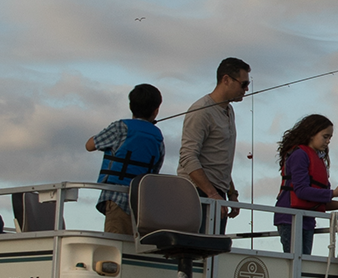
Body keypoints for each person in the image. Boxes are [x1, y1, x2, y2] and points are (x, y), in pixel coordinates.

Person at [271, 114, 338, 255]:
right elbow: (301, 191)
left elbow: (321, 202)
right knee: (297, 265)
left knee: (303, 264)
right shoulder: (300, 155)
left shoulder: (317, 159)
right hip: (290, 218)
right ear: (311, 133)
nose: (328, 141)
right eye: (325, 136)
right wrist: (333, 193)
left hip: (306, 220)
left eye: (330, 138)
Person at [83, 84, 165, 235]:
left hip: (116, 199)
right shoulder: (158, 137)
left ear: (130, 106)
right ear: (156, 111)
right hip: (142, 207)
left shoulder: (120, 127)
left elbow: (89, 145)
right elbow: (155, 170)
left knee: (115, 249)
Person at [177, 58, 248, 227]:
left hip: (217, 194)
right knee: (195, 249)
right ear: (226, 80)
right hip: (195, 193)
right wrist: (212, 194)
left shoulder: (229, 110)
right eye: (243, 84)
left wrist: (231, 192)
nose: (246, 89)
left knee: (213, 251)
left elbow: (219, 156)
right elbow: (187, 157)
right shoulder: (201, 111)